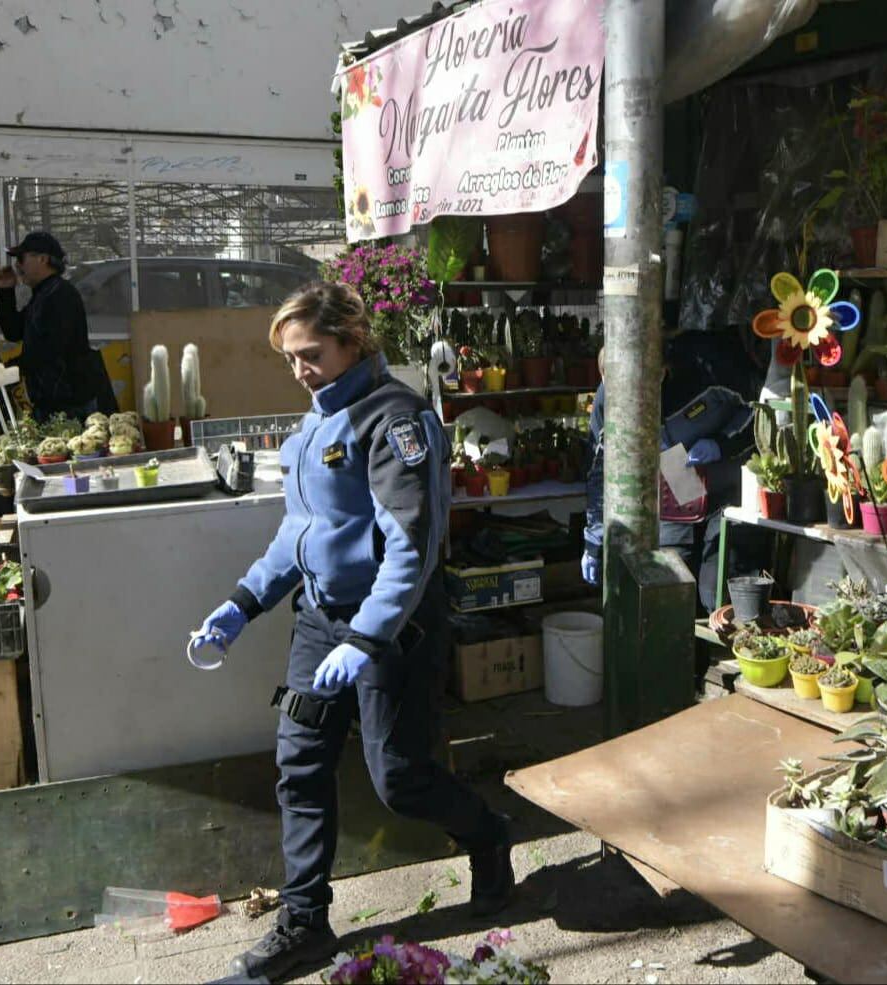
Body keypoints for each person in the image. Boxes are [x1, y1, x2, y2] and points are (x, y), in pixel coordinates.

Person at [188, 282, 513, 982]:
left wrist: (365, 639)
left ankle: (489, 833)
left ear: (353, 339)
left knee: (400, 777)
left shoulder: (394, 419)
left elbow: (412, 547)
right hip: (317, 622)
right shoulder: (311, 429)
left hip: (391, 626)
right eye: (290, 359)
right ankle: (303, 922)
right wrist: (242, 603)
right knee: (299, 762)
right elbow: (299, 533)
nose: (300, 370)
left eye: (311, 354)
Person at [582, 329, 765, 609]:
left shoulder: (710, 368)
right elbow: (599, 468)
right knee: (671, 584)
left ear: (661, 373)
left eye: (635, 391)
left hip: (729, 479)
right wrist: (594, 542)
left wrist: (721, 444)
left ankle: (721, 642)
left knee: (716, 592)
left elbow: (760, 411)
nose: (626, 400)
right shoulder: (610, 397)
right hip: (676, 478)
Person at [0, 231, 105, 419]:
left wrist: (13, 367)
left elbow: (50, 349)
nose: (17, 265)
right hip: (51, 401)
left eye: (21, 258)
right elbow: (14, 332)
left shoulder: (60, 295)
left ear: (43, 259)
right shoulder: (43, 294)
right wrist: (6, 292)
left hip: (69, 403)